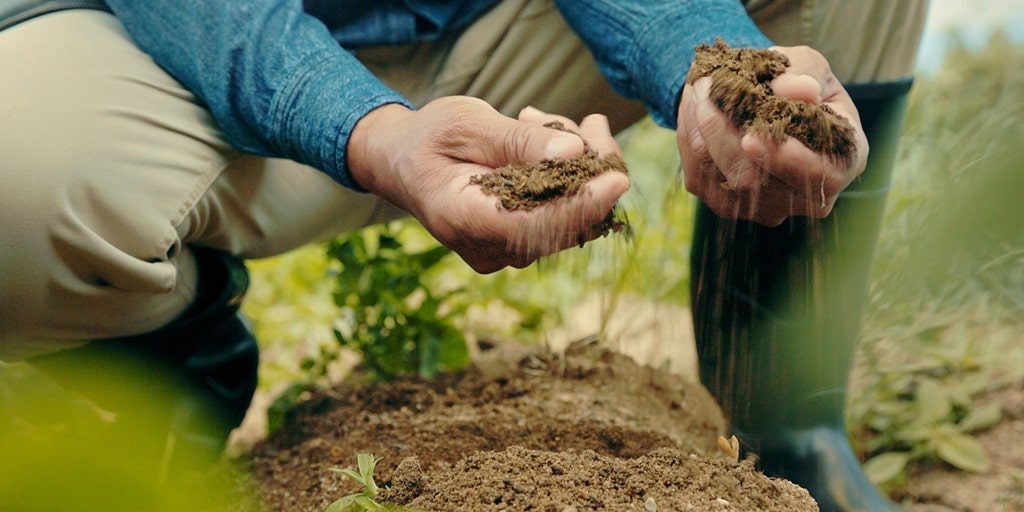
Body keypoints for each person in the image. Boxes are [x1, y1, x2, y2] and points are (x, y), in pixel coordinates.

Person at [0, 0, 926, 510]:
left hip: (504, 29)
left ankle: (789, 432)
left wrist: (703, 61)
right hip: (199, 52)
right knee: (17, 178)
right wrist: (369, 129)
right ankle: (167, 360)